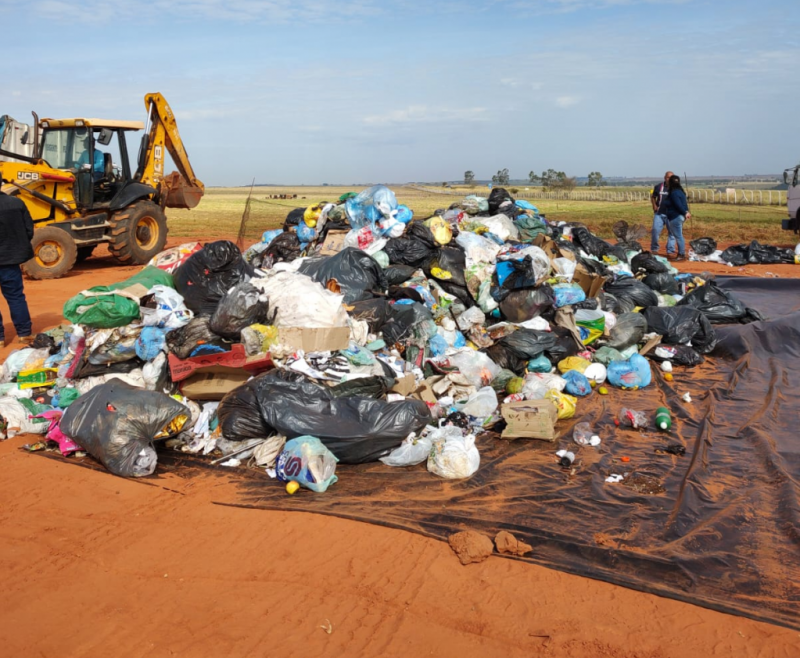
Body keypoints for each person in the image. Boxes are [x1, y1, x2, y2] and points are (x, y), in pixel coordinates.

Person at [0, 181, 34, 348]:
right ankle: (24, 334)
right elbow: (29, 230)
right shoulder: (16, 203)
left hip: (9, 258)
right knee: (15, 297)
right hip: (10, 260)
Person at [662, 174, 691, 261]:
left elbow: (678, 205)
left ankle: (681, 254)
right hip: (680, 216)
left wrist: (685, 212)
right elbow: (683, 204)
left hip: (675, 216)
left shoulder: (674, 193)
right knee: (679, 236)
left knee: (678, 236)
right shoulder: (681, 192)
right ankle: (681, 254)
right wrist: (686, 212)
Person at [651, 170, 676, 255]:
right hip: (659, 214)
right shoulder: (659, 186)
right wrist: (654, 205)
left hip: (671, 215)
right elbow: (653, 196)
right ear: (665, 178)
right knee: (655, 231)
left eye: (671, 177)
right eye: (668, 177)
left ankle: (670, 250)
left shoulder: (676, 188)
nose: (670, 179)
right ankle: (654, 249)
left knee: (672, 233)